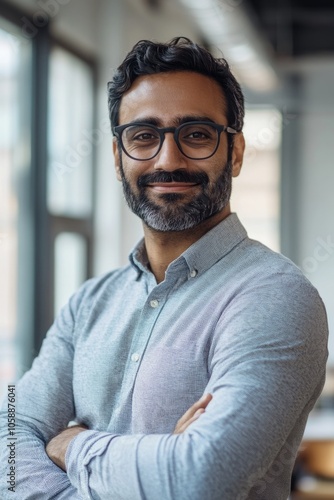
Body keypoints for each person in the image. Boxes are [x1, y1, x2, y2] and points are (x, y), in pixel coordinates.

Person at [0, 37, 328, 500]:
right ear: (118, 157)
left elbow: (200, 478)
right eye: (143, 136)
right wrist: (152, 462)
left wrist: (72, 446)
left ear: (234, 152)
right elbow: (10, 426)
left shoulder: (275, 297)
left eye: (196, 134)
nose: (168, 160)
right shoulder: (89, 303)